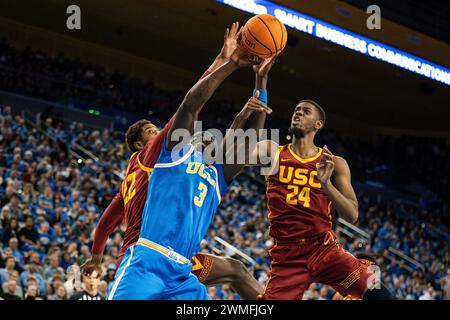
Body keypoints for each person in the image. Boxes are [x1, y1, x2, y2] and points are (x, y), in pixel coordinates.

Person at [83, 22, 269, 300]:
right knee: (235, 270)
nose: (207, 138)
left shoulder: (216, 176)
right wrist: (228, 63)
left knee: (236, 269)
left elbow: (245, 143)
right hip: (147, 258)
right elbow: (190, 104)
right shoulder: (166, 155)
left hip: (183, 270)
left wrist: (261, 83)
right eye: (152, 132)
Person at [253, 99, 394, 300]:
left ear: (318, 124)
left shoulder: (334, 163)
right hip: (287, 255)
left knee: (380, 292)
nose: (298, 113)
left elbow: (352, 214)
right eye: (296, 110)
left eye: (305, 111)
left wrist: (326, 185)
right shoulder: (272, 152)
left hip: (324, 249)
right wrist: (260, 87)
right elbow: (236, 154)